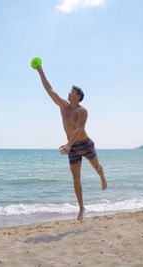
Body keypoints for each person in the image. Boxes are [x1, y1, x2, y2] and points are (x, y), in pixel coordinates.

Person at [36, 66, 107, 221]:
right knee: (76, 177)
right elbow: (50, 90)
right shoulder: (63, 106)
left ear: (78, 97)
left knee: (97, 167)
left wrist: (68, 144)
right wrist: (41, 72)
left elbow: (79, 129)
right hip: (73, 147)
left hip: (85, 144)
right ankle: (81, 208)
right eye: (70, 91)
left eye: (72, 92)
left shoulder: (82, 111)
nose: (69, 93)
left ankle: (102, 177)